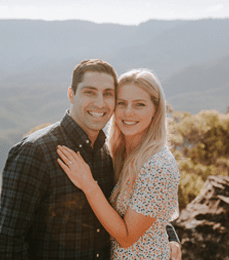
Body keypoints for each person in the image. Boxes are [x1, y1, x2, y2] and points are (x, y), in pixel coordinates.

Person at [0, 59, 181, 260]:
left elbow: (135, 209)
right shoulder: (35, 152)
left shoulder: (105, 154)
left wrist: (167, 234)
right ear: (71, 95)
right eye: (89, 92)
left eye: (108, 94)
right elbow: (9, 241)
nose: (100, 103)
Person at [57, 68, 180, 259]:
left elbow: (127, 237)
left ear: (155, 110)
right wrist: (170, 234)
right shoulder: (118, 152)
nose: (128, 112)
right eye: (122, 103)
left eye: (139, 105)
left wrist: (88, 184)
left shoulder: (157, 166)